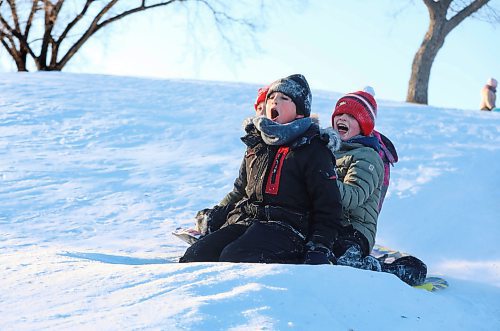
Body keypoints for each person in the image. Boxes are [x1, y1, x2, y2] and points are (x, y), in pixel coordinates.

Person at [180, 74, 343, 264]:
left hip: (289, 229)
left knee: (236, 257)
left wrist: (320, 245)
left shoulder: (313, 148)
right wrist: (219, 214)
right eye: (271, 98)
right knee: (196, 255)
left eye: (284, 98)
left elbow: (328, 207)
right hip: (248, 220)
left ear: (300, 111)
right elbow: (241, 191)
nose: (275, 102)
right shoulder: (257, 143)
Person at [327, 90, 385, 271]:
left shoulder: (368, 157)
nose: (342, 118)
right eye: (339, 114)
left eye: (351, 116)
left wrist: (322, 178)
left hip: (355, 229)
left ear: (364, 123)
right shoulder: (328, 151)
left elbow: (352, 197)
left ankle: (392, 269)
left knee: (344, 262)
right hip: (328, 224)